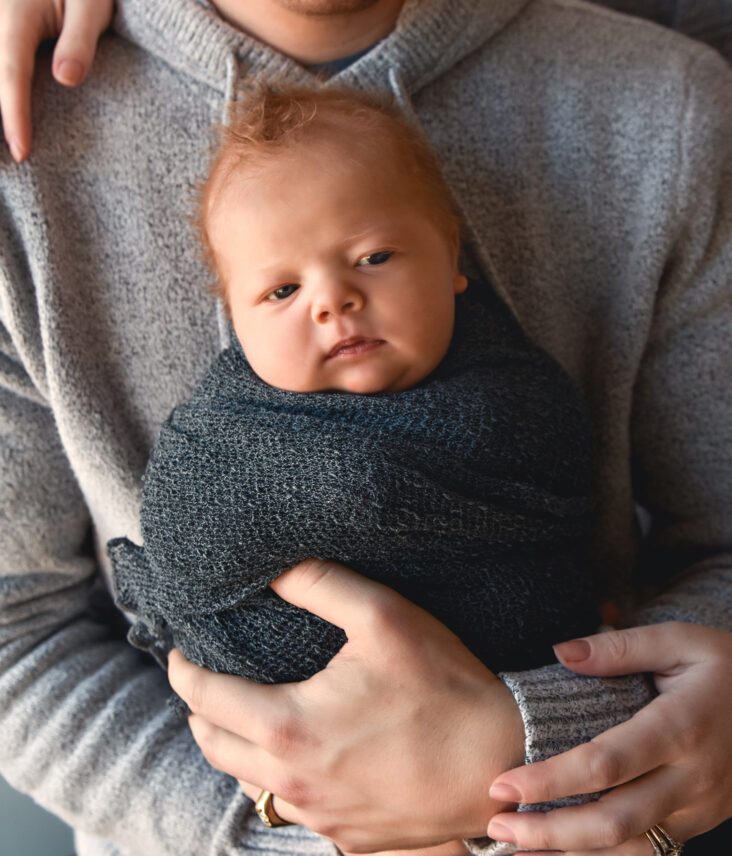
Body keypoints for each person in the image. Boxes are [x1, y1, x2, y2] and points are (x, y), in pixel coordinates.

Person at [0, 0, 730, 850]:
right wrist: (301, 824)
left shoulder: (668, 109)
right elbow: (11, 627)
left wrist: (533, 749)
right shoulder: (21, 155)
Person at [107, 84, 599, 700]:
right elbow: (182, 538)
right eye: (282, 291)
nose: (333, 300)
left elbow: (562, 474)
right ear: (234, 320)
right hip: (284, 741)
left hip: (535, 719)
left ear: (450, 255)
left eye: (374, 256)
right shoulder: (222, 434)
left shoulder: (515, 389)